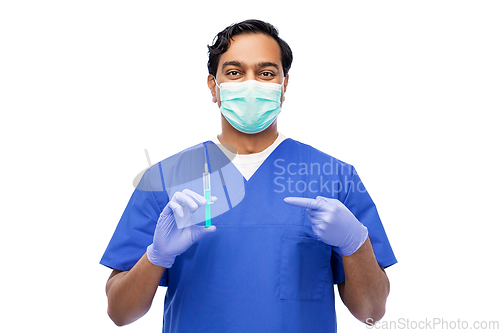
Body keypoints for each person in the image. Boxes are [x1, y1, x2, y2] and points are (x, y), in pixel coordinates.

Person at [100, 19, 397, 333]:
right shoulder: (165, 179)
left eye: (266, 73)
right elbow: (120, 313)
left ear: (284, 86)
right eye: (234, 72)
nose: (250, 83)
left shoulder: (335, 177)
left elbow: (371, 312)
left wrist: (356, 244)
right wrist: (156, 256)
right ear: (214, 87)